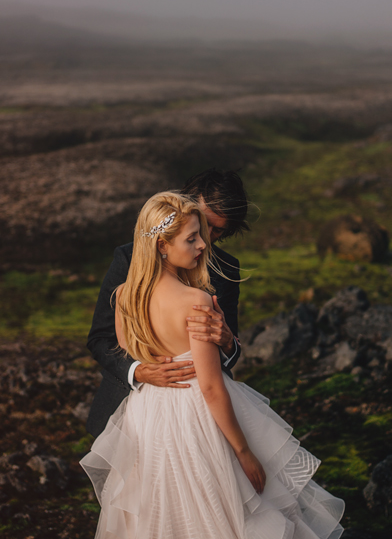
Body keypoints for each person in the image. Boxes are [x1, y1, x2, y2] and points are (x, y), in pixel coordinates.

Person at [80, 192, 344, 538]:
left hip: (147, 418)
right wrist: (244, 451)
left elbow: (135, 351)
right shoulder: (196, 301)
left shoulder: (125, 297)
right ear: (162, 245)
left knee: (159, 513)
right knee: (225, 509)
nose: (203, 246)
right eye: (192, 238)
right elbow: (210, 385)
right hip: (196, 416)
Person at [85, 169, 249, 438]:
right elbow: (100, 337)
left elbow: (229, 355)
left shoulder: (227, 268)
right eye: (202, 223)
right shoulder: (128, 257)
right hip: (127, 413)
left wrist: (229, 341)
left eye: (217, 230)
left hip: (201, 419)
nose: (205, 238)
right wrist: (139, 371)